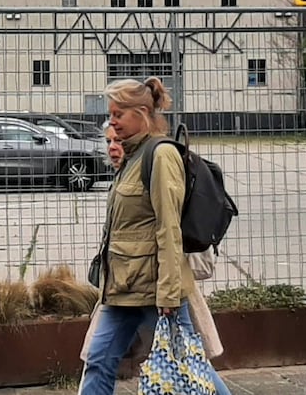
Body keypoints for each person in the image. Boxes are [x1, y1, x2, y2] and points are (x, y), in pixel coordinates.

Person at [79, 77, 230, 395]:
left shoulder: (160, 155)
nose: (112, 121)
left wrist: (169, 294)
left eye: (118, 114)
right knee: (98, 361)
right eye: (111, 114)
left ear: (142, 113)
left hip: (155, 289)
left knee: (189, 365)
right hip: (123, 288)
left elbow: (168, 228)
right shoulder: (131, 157)